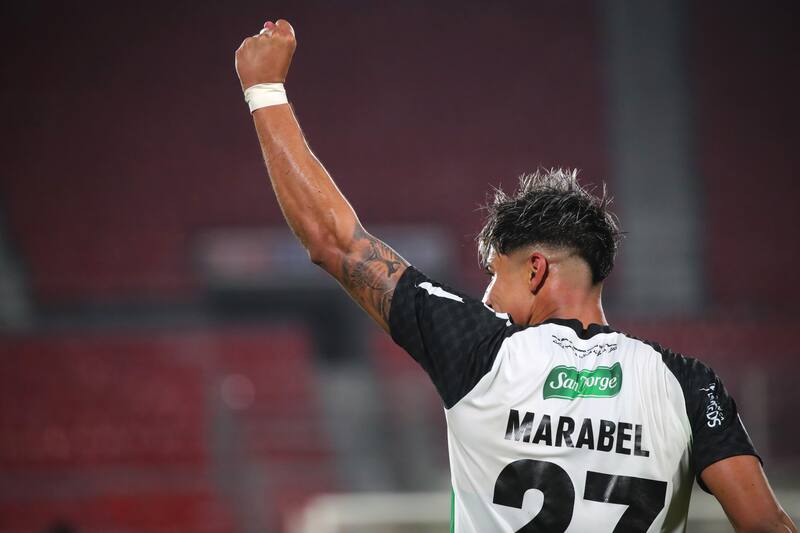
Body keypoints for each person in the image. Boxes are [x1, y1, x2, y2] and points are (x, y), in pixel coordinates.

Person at [234, 18, 797, 533]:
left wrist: (264, 91)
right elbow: (767, 527)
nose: (486, 296)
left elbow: (333, 242)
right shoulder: (687, 384)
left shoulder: (479, 351)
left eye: (493, 275)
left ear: (535, 270)